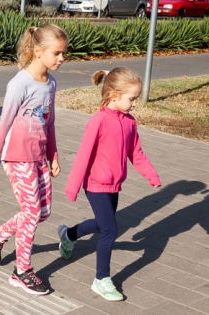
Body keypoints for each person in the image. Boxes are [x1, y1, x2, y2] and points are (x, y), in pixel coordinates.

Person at [59, 67, 161, 302]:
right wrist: (72, 188)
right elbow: (83, 155)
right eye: (132, 99)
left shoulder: (129, 122)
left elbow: (136, 153)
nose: (134, 104)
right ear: (114, 94)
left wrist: (151, 175)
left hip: (114, 184)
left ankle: (69, 234)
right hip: (95, 184)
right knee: (109, 230)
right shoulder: (98, 121)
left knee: (100, 223)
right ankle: (101, 280)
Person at [0, 24, 66, 296]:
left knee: (43, 212)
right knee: (31, 213)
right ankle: (22, 271)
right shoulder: (19, 84)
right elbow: (3, 125)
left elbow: (48, 123)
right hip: (17, 158)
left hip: (39, 157)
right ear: (38, 51)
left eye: (64, 53)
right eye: (57, 53)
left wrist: (53, 155)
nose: (62, 58)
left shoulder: (50, 83)